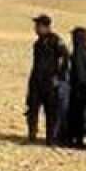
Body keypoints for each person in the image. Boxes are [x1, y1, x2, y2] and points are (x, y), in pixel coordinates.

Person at [25, 14, 68, 145]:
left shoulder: (55, 40)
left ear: (45, 26)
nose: (36, 28)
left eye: (38, 26)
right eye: (36, 26)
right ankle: (32, 136)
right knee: (32, 109)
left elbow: (65, 58)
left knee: (51, 112)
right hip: (36, 81)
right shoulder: (38, 43)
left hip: (49, 82)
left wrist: (58, 76)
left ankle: (51, 139)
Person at [64, 27, 86, 147]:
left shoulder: (79, 52)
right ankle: (76, 138)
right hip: (84, 88)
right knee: (78, 114)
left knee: (75, 114)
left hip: (78, 89)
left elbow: (80, 72)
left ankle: (74, 138)